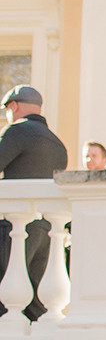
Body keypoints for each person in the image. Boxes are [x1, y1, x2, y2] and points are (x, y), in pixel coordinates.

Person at [0, 84, 69, 319]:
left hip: (14, 227)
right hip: (46, 229)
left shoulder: (16, 131)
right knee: (36, 301)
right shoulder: (58, 143)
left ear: (14, 106)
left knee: (6, 294)